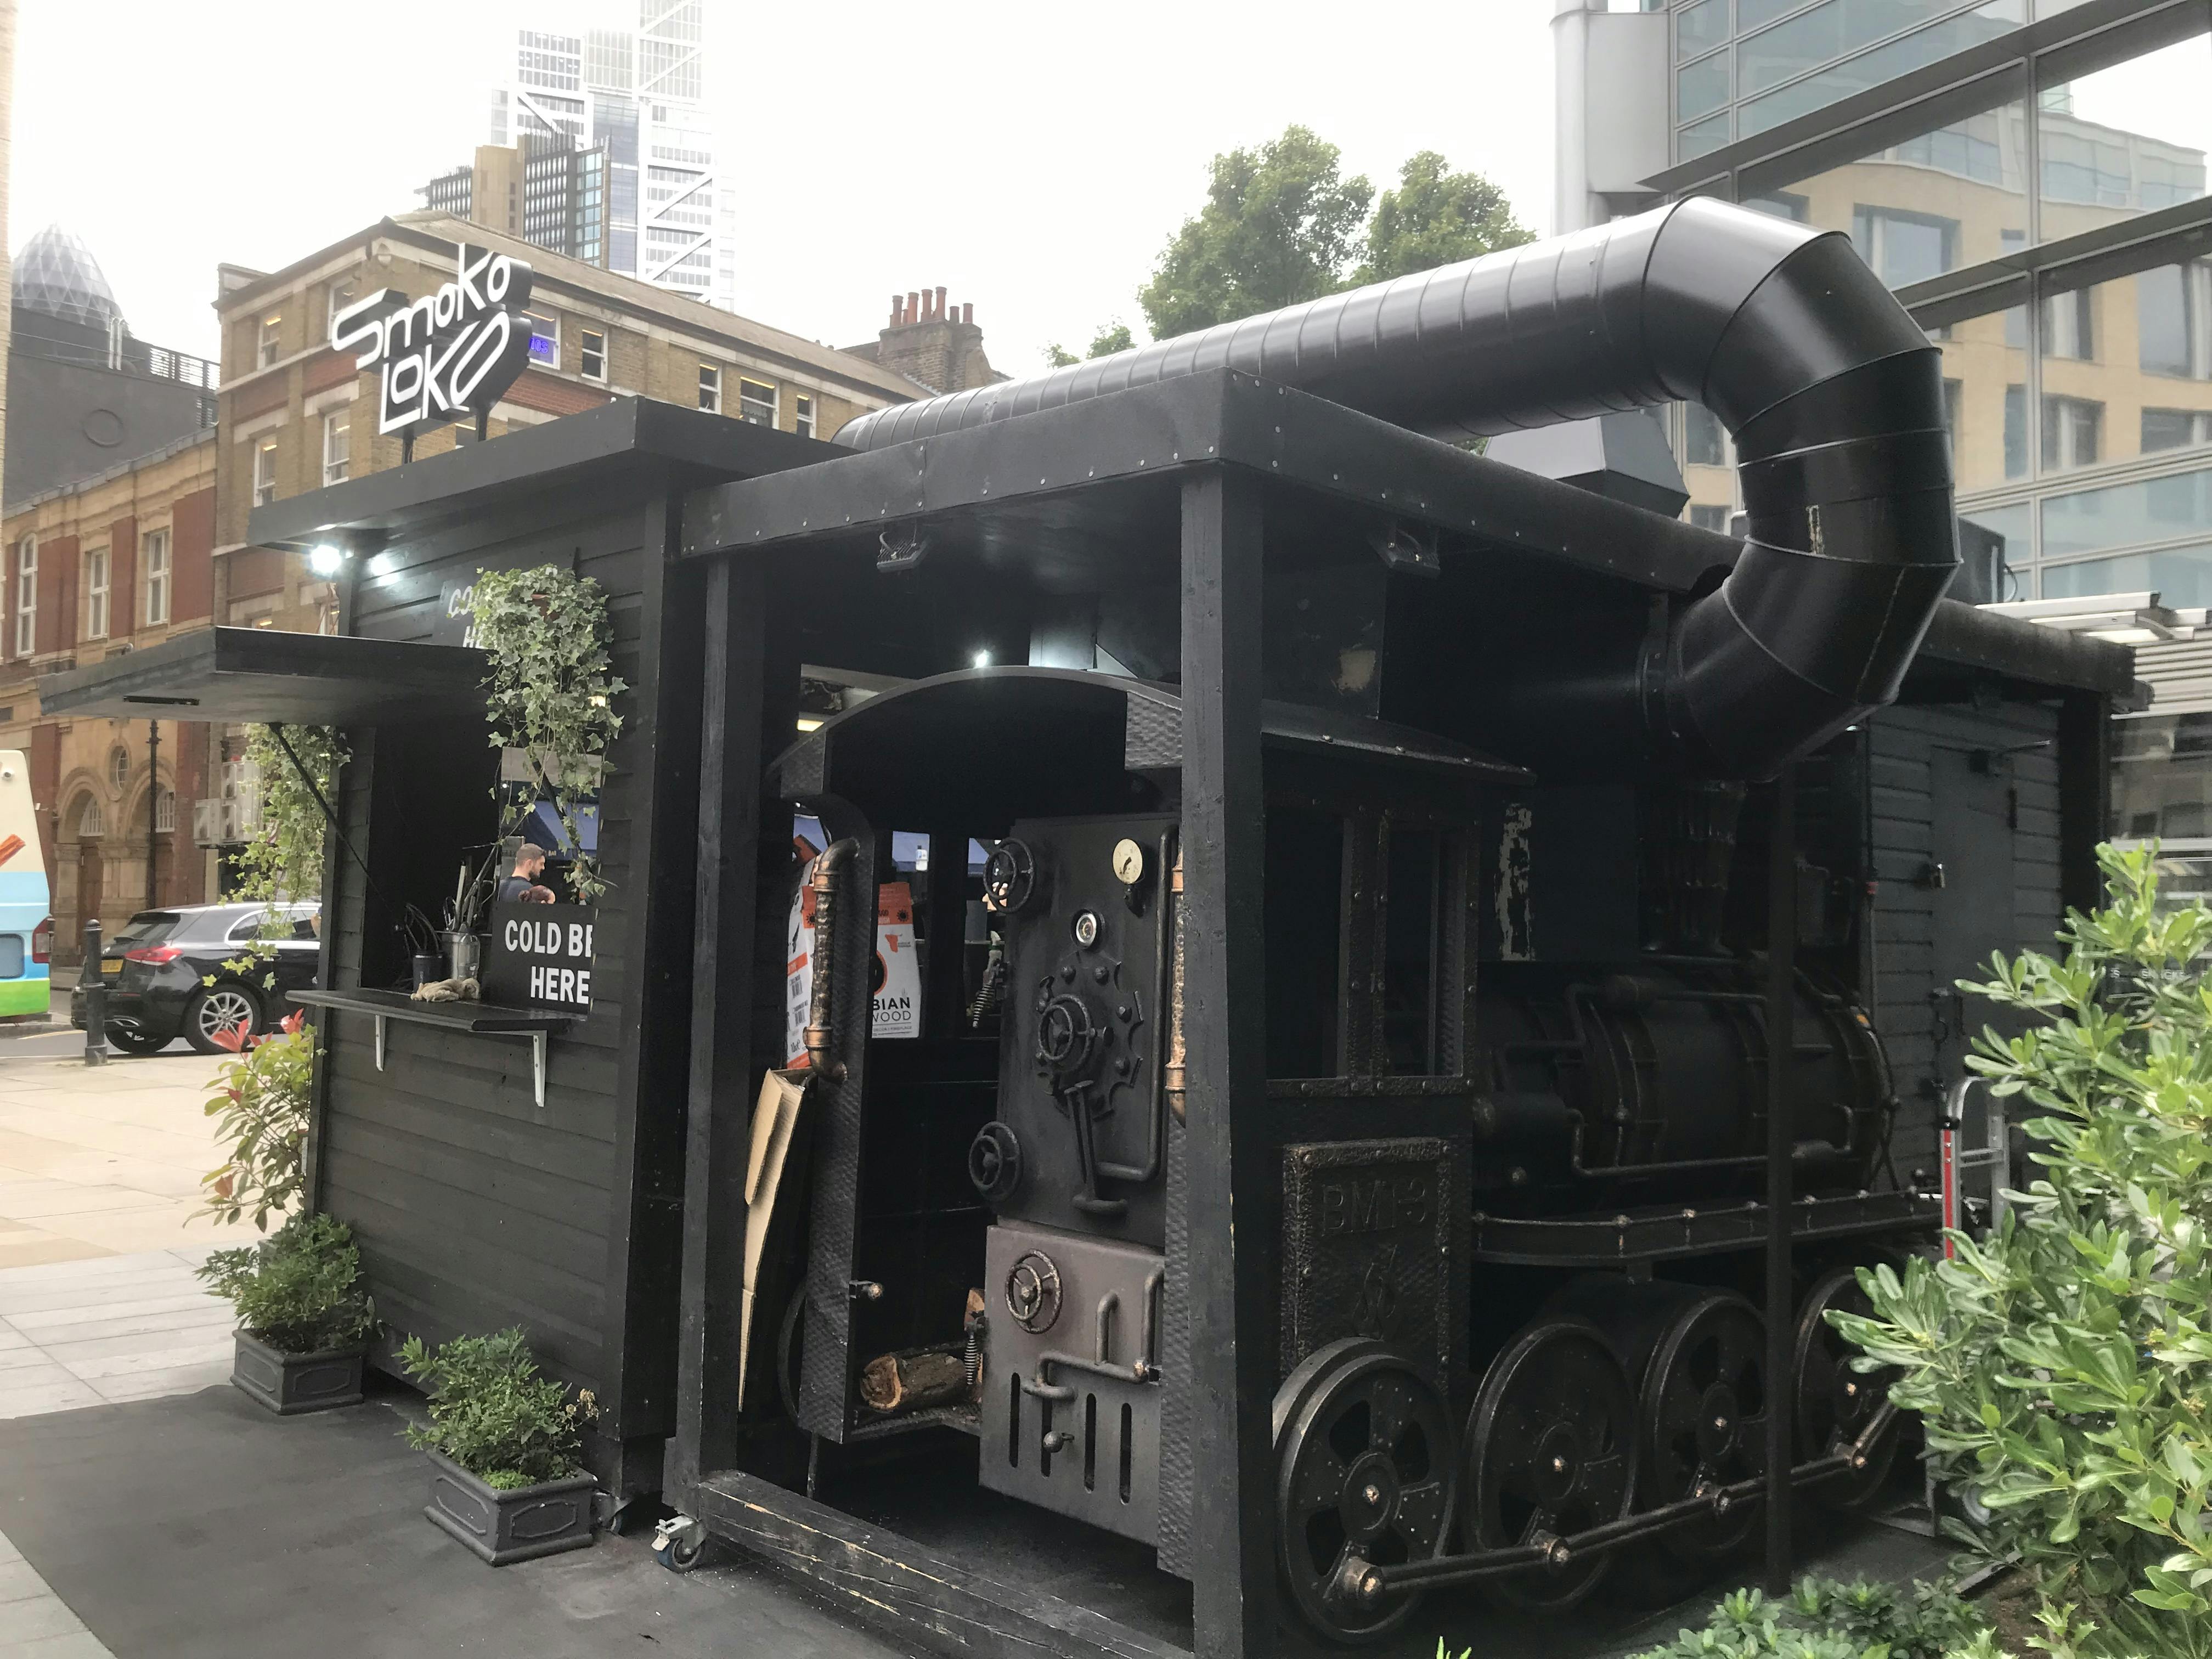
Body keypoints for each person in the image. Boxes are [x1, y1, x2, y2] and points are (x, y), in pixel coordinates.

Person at [496, 842, 557, 906]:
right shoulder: (530, 893)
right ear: (530, 863)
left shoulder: (498, 888)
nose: (543, 868)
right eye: (541, 864)